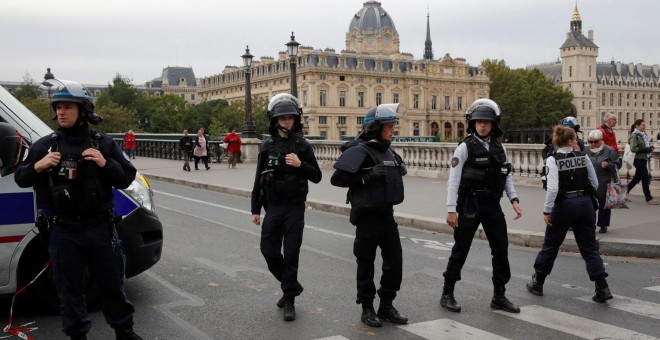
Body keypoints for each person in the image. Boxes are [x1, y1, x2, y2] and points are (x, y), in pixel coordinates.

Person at [14, 79, 142, 340]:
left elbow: (126, 177)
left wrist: (105, 164)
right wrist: (39, 166)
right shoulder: (45, 146)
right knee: (68, 288)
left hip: (100, 227)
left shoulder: (102, 144)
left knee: (112, 284)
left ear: (83, 110)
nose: (61, 112)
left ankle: (124, 331)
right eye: (58, 107)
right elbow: (21, 177)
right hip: (63, 230)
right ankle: (77, 336)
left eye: (68, 107)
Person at [440, 98, 522, 314]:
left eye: (486, 121)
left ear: (493, 124)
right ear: (473, 124)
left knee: (501, 250)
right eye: (479, 122)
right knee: (461, 249)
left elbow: (506, 175)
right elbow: (454, 180)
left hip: (492, 205)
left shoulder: (499, 148)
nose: (482, 125)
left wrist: (514, 199)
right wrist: (451, 209)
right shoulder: (464, 148)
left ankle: (499, 296)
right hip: (470, 203)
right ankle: (447, 293)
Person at [331, 104, 409, 328]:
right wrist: (366, 177)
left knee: (395, 263)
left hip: (387, 216)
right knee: (366, 264)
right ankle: (367, 307)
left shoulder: (389, 150)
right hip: (366, 218)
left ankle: (386, 305)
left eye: (393, 125)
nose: (393, 129)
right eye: (389, 126)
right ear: (375, 127)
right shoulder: (359, 149)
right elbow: (337, 179)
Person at [250, 94, 322, 322]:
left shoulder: (302, 145)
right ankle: (292, 286)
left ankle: (289, 299)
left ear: (296, 119)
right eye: (282, 118)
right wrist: (255, 209)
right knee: (269, 251)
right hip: (273, 207)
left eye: (290, 118)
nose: (287, 122)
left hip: (294, 208)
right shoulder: (266, 146)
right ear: (274, 120)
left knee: (291, 254)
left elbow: (317, 176)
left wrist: (301, 165)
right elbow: (258, 179)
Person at [526, 125, 613, 303]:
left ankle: (538, 282)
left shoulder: (552, 160)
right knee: (589, 247)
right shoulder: (583, 157)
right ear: (572, 140)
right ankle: (602, 286)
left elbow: (552, 189)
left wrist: (547, 210)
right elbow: (594, 183)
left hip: (564, 205)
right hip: (585, 204)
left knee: (551, 245)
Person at [586, 130, 621, 233]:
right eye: (590, 141)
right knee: (589, 205)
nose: (592, 144)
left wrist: (609, 165)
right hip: (590, 183)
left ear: (601, 141)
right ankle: (590, 224)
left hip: (604, 182)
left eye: (595, 142)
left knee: (604, 205)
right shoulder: (586, 150)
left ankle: (603, 225)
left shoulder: (609, 150)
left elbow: (617, 164)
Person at [627, 119, 657, 205]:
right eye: (643, 125)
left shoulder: (643, 135)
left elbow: (644, 145)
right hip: (637, 159)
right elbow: (633, 148)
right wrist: (645, 149)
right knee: (645, 178)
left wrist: (649, 148)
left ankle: (623, 193)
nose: (645, 126)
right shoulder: (634, 135)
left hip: (643, 159)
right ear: (637, 126)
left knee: (637, 178)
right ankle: (648, 198)